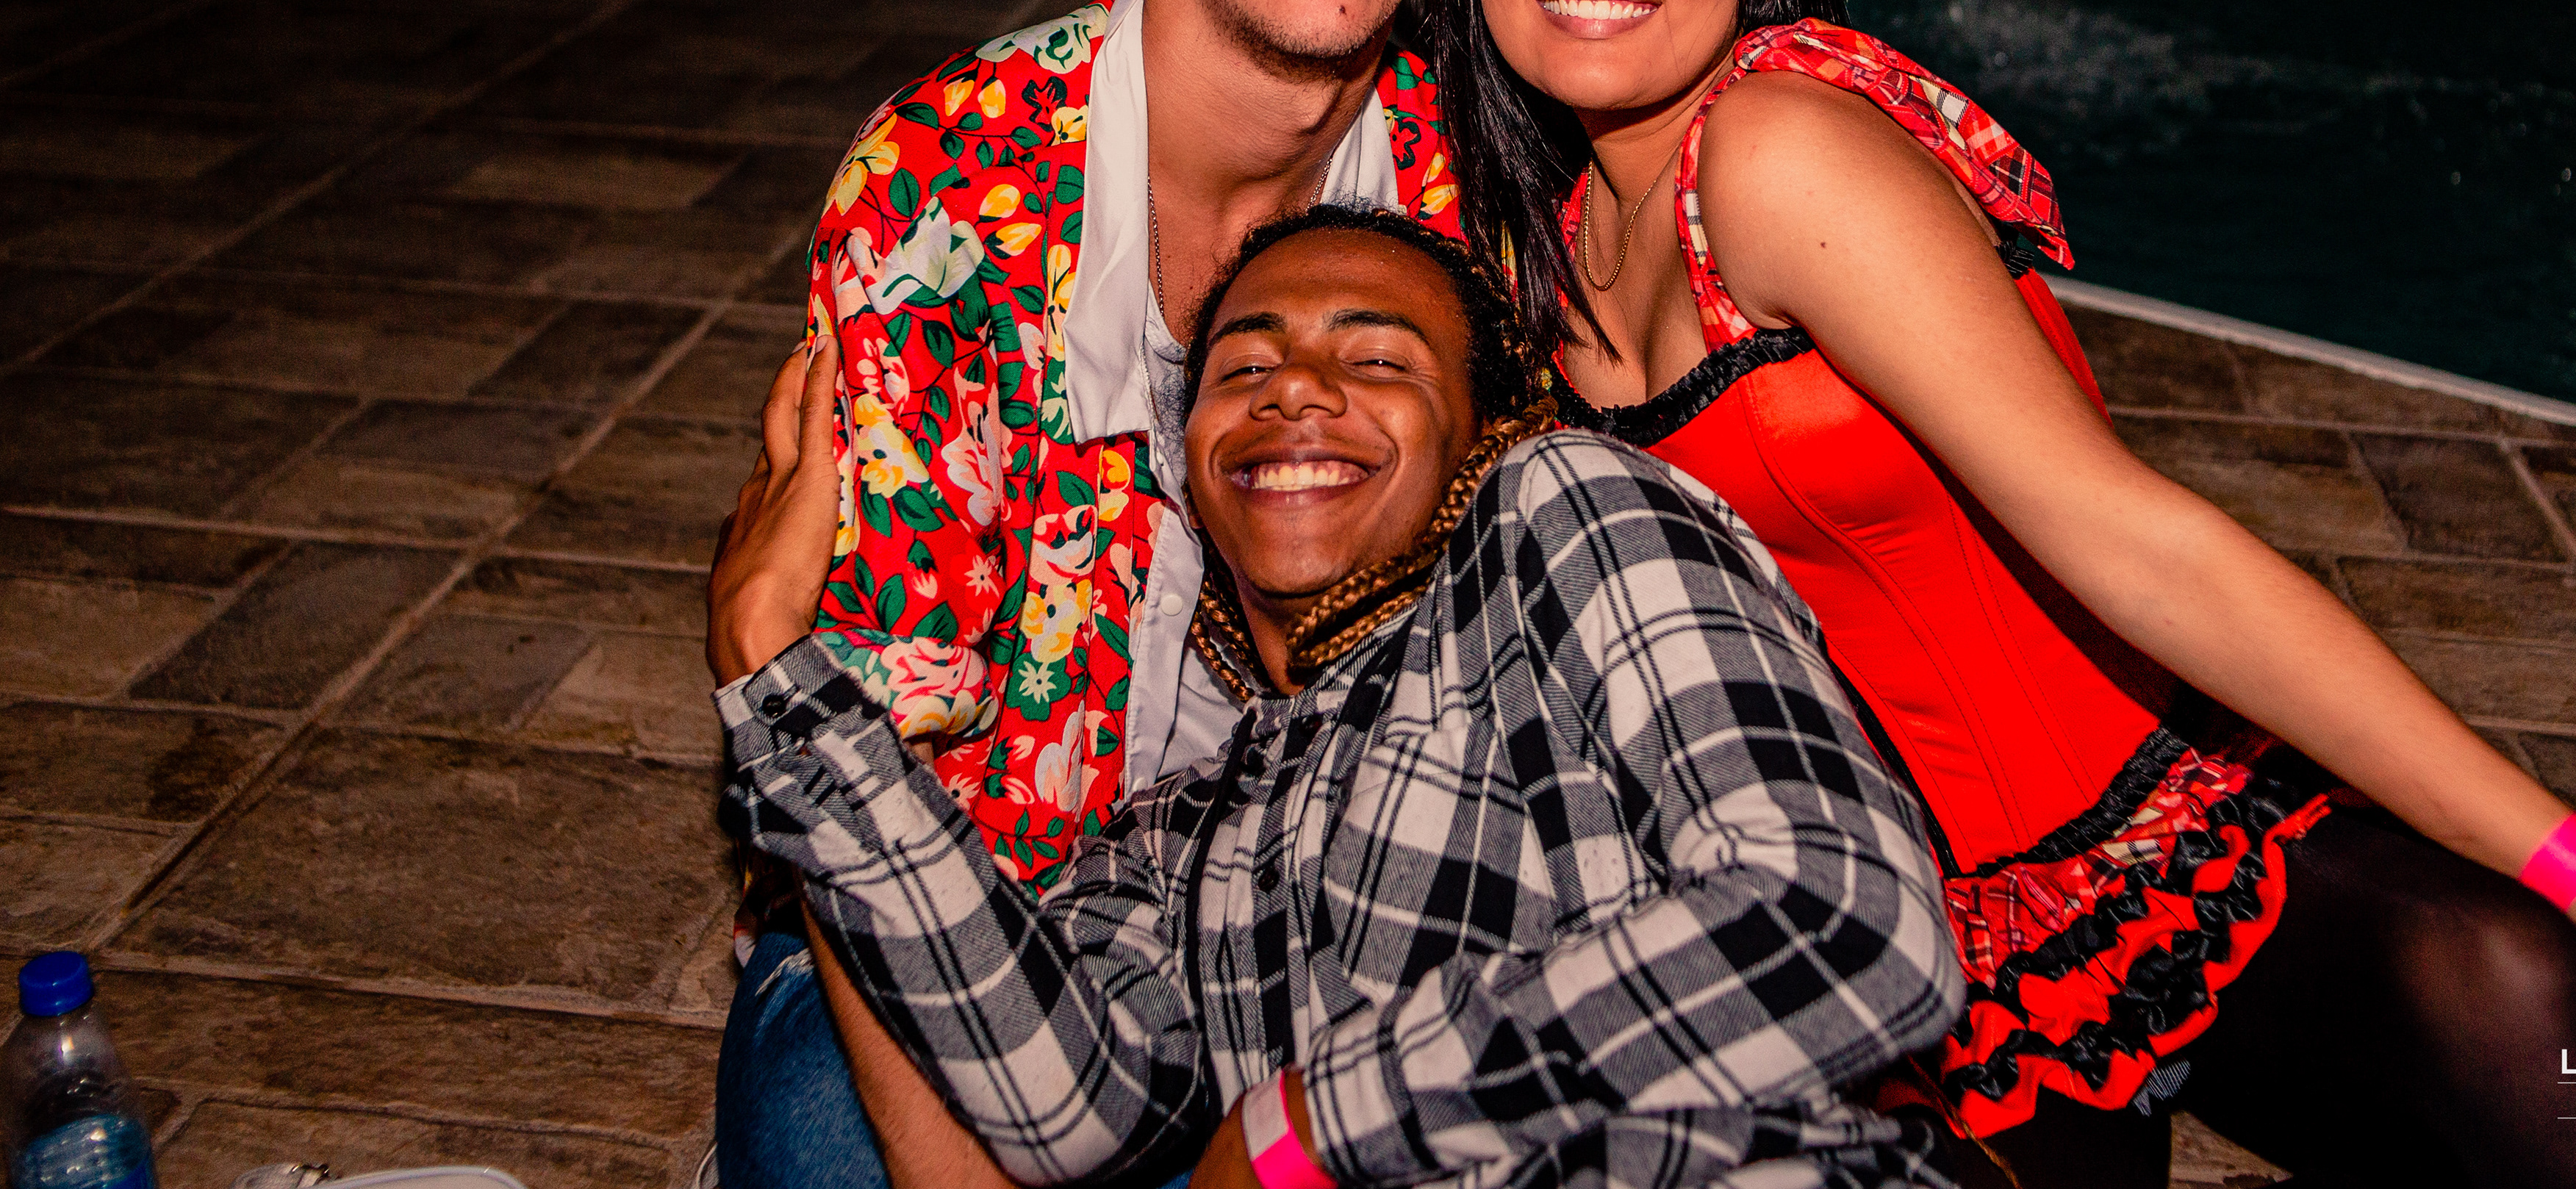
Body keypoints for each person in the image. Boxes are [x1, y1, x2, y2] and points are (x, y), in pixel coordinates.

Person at [1425, 0, 2576, 1188]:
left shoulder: (1772, 153)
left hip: (2189, 842)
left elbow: (2145, 544)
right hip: (1931, 945)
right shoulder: (1534, 234)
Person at [711, 208, 1967, 1189]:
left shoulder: (1558, 514)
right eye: (1242, 366)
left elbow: (1847, 918)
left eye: (1375, 357)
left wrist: (1312, 1122)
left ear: (1486, 432)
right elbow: (1063, 1112)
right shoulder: (1174, 834)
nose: (1294, 389)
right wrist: (777, 674)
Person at [713, 0, 1479, 1189]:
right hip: (955, 920)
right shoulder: (953, 182)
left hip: (1319, 913)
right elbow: (867, 737)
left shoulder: (1476, 185)